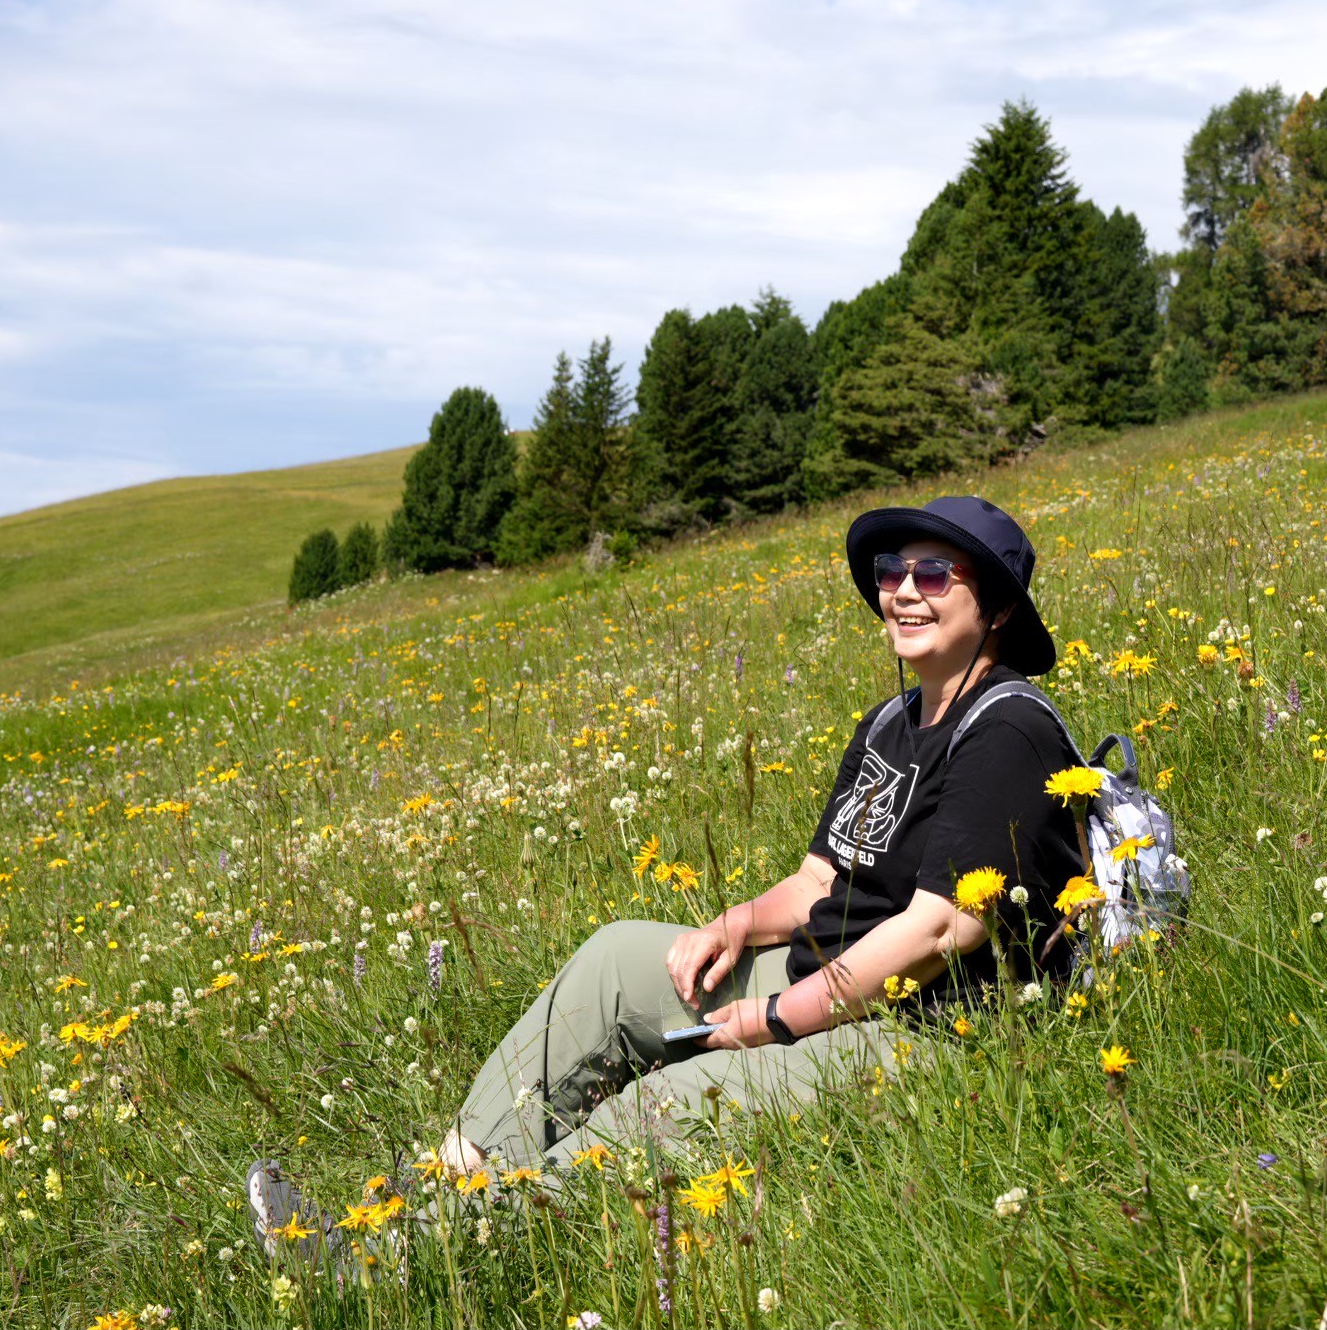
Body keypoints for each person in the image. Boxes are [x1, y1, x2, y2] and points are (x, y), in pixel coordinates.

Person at [248, 494, 1088, 1254]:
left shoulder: (1007, 730)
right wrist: (735, 923)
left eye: (934, 574)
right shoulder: (889, 722)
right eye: (890, 571)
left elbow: (940, 930)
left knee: (658, 1104)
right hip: (825, 975)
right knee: (616, 961)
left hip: (930, 1032)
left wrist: (776, 1017)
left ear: (998, 608)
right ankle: (424, 1194)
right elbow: (817, 881)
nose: (903, 590)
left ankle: (400, 1259)